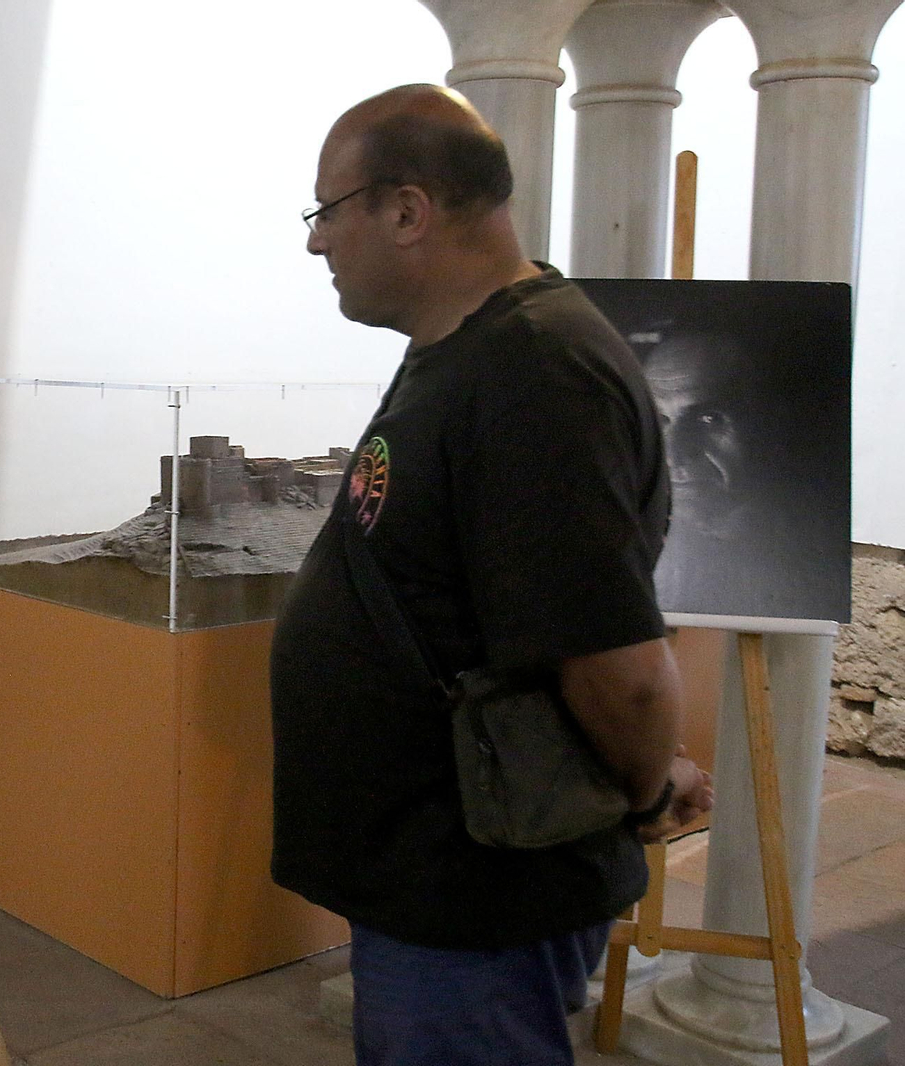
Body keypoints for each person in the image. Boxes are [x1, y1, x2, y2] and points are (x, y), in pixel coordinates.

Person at [269, 85, 714, 1066]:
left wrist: (647, 793)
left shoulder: (537, 375)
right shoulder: (467, 353)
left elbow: (622, 669)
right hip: (434, 873)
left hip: (477, 893)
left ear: (406, 210)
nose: (314, 242)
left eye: (326, 212)